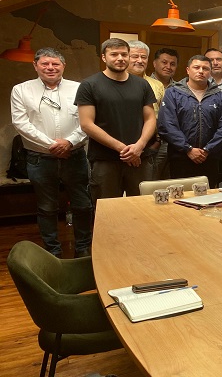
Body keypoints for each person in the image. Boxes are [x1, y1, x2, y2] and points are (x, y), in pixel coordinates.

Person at [11, 48, 92, 258]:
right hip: (39, 158)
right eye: (45, 63)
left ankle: (83, 248)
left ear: (63, 66)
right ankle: (52, 252)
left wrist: (69, 142)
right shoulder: (21, 90)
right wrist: (53, 145)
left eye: (55, 64)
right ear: (35, 65)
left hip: (74, 156)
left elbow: (88, 121)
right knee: (46, 208)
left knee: (83, 205)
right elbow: (21, 123)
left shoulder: (79, 88)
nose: (50, 68)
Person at [77, 38, 156, 201]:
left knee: (143, 208)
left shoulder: (142, 85)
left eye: (124, 54)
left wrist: (139, 146)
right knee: (107, 209)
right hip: (105, 160)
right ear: (104, 57)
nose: (120, 58)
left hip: (140, 158)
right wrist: (124, 149)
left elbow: (150, 118)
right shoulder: (89, 85)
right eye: (114, 54)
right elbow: (86, 124)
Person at [158, 55, 222, 187]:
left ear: (210, 72)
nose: (201, 71)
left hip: (210, 157)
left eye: (205, 68)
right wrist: (188, 149)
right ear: (188, 70)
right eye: (196, 67)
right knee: (181, 196)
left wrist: (208, 149)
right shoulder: (173, 93)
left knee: (208, 195)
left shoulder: (219, 96)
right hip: (180, 157)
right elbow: (167, 125)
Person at [127, 40, 169, 180]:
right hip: (121, 145)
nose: (140, 61)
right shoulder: (115, 83)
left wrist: (156, 143)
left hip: (151, 146)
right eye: (135, 56)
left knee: (147, 186)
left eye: (143, 57)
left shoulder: (157, 85)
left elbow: (164, 116)